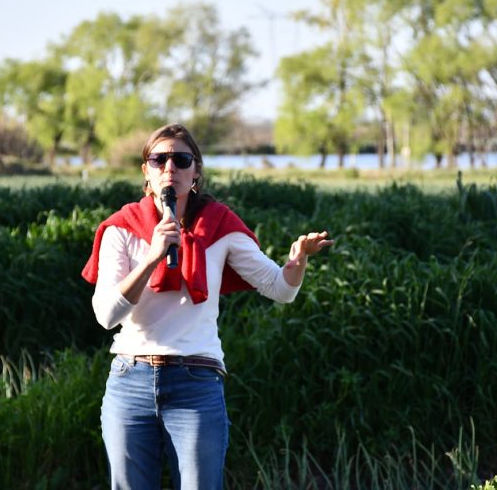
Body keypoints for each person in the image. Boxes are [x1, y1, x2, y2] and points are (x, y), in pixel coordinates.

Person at [81, 123, 333, 490]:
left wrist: (297, 261)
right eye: (159, 159)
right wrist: (152, 257)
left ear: (196, 172)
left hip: (195, 382)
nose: (170, 168)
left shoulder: (219, 226)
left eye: (182, 160)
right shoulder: (122, 229)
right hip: (129, 382)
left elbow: (281, 289)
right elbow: (106, 316)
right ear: (146, 172)